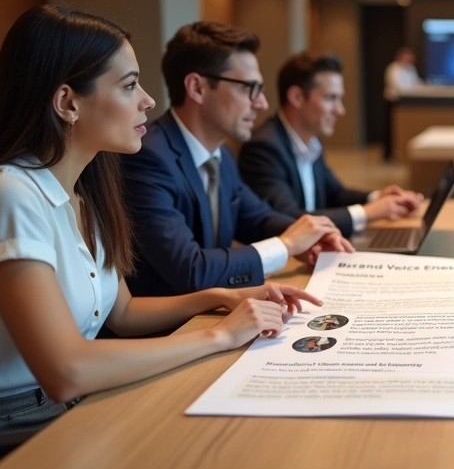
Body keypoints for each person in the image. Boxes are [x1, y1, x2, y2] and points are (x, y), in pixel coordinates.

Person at [0, 5, 323, 439]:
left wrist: (221, 297)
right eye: (129, 85)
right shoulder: (6, 195)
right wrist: (218, 336)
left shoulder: (83, 192)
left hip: (59, 405)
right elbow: (66, 370)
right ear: (68, 102)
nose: (147, 99)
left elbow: (123, 313)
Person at [121, 22, 352, 297]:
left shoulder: (222, 154)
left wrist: (309, 236)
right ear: (197, 88)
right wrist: (287, 244)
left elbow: (256, 217)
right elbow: (190, 270)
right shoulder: (148, 157)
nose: (262, 104)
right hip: (167, 332)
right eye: (248, 89)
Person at [239, 51, 422, 237]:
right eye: (331, 98)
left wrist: (377, 198)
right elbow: (288, 218)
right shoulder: (264, 148)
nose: (340, 110)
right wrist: (369, 212)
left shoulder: (310, 140)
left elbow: (334, 194)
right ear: (297, 97)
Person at [383, 46, 420, 160]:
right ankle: (389, 154)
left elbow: (416, 83)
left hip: (404, 104)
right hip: (393, 103)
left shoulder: (410, 69)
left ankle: (397, 153)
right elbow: (398, 87)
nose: (409, 60)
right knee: (391, 129)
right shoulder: (393, 69)